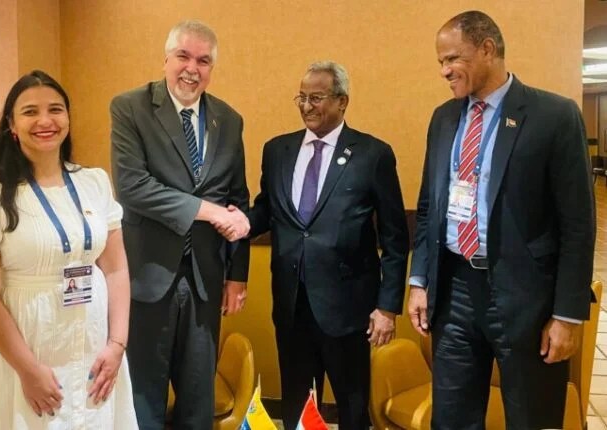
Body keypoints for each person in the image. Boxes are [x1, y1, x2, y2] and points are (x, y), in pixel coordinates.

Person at [407, 11, 595, 429]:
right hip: (454, 292)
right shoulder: (444, 118)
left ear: (487, 49)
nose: (444, 71)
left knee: (531, 417)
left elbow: (578, 225)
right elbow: (429, 206)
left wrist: (567, 315)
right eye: (440, 61)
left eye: (452, 59)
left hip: (526, 299)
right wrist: (419, 279)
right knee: (451, 419)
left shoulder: (554, 116)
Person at [0, 70, 138, 429]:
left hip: (93, 345)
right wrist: (27, 369)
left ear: (68, 118)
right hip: (28, 349)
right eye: (30, 112)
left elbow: (116, 269)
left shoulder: (93, 182)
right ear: (12, 125)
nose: (45, 121)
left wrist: (117, 344)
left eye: (55, 109)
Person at [248, 61, 409, 430]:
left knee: (352, 407)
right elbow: (266, 210)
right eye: (301, 98)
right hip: (292, 305)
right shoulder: (277, 150)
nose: (307, 106)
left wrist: (387, 308)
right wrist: (235, 222)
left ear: (342, 101)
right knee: (298, 407)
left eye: (316, 98)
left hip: (349, 309)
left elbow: (395, 238)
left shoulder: (372, 154)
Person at [110, 20, 250, 430]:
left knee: (198, 400)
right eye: (183, 57)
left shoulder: (229, 119)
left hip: (206, 281)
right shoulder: (130, 108)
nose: (192, 68)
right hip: (147, 278)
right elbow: (133, 187)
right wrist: (208, 211)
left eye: (203, 61)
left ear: (212, 68)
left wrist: (237, 275)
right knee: (143, 400)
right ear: (166, 59)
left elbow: (237, 199)